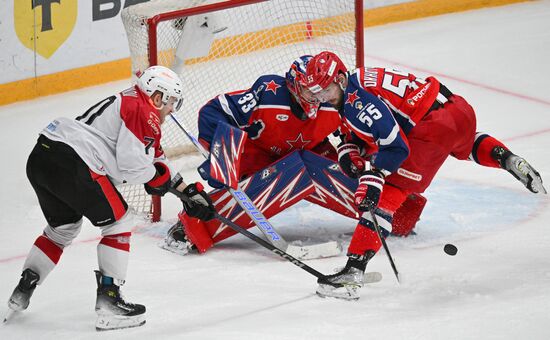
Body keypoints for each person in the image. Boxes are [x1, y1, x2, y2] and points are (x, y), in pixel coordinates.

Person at [302, 50, 547, 300]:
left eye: (325, 89)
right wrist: (348, 148)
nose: (321, 97)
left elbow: (395, 145)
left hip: (431, 129)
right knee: (464, 145)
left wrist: (374, 177)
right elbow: (369, 126)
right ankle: (506, 158)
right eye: (316, 92)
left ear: (341, 79)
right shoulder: (360, 79)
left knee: (388, 193)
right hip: (456, 110)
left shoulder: (358, 101)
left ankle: (353, 274)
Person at [6, 66, 216, 330]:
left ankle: (24, 286)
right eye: (171, 101)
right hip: (75, 162)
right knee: (119, 223)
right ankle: (110, 302)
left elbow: (155, 159)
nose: (171, 109)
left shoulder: (132, 103)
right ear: (157, 95)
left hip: (43, 156)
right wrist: (157, 178)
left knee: (63, 229)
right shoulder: (143, 111)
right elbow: (132, 166)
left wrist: (188, 192)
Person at [161, 55, 352, 255]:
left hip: (306, 152)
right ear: (294, 85)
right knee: (296, 170)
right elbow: (214, 111)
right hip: (257, 160)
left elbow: (356, 136)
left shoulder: (334, 100)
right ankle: (194, 227)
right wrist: (219, 154)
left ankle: (383, 215)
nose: (316, 96)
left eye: (320, 89)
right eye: (309, 89)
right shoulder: (270, 94)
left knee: (343, 173)